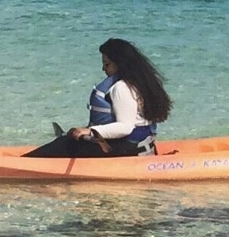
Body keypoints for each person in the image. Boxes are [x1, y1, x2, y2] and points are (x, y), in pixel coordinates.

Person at [26, 39, 174, 158]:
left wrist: (90, 131)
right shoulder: (140, 83)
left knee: (67, 143)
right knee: (70, 139)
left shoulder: (122, 88)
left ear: (119, 64)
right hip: (141, 144)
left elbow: (125, 127)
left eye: (107, 64)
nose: (103, 69)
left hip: (130, 148)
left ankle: (24, 163)